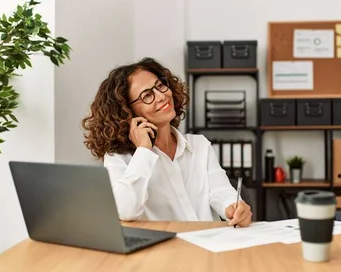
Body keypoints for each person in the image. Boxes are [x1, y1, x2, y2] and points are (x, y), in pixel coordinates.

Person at [81, 57, 252, 227]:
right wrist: (144, 151)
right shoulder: (119, 158)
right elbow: (126, 211)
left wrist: (233, 206)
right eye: (147, 95)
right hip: (165, 250)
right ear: (127, 111)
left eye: (160, 85)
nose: (161, 96)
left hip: (210, 244)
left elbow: (219, 190)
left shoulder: (200, 145)